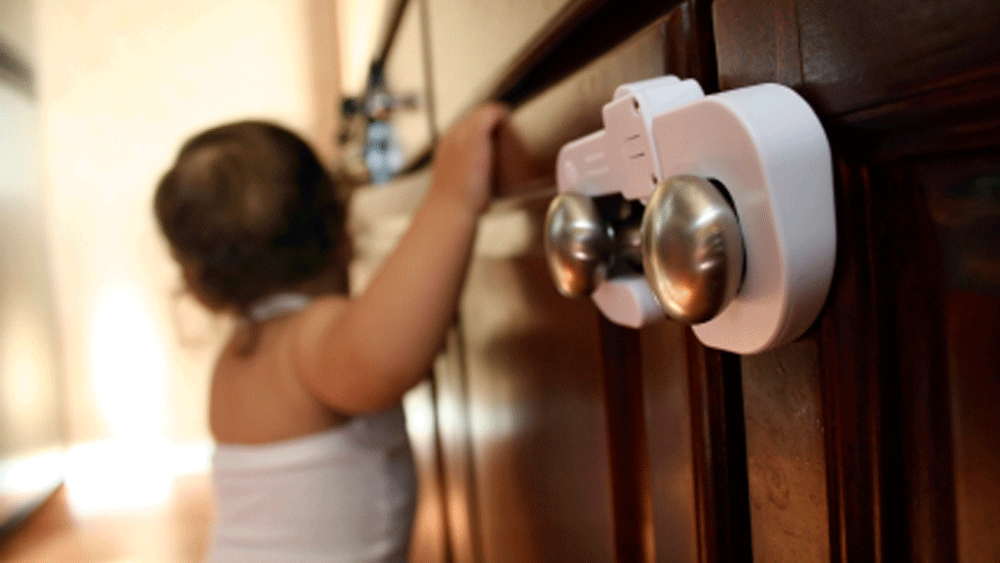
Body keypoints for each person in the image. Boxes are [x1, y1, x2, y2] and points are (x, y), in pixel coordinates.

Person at [154, 103, 508, 563]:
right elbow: (388, 359)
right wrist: (451, 199)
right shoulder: (305, 343)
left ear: (201, 285)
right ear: (342, 223)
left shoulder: (246, 354)